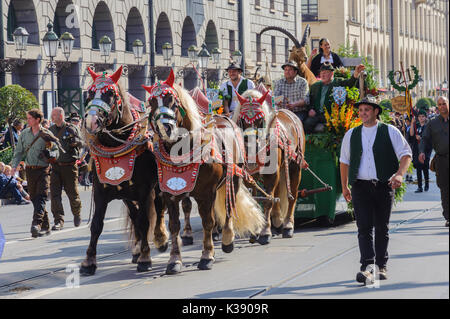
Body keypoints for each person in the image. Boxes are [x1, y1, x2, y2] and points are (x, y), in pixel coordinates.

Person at [340, 96, 412, 284]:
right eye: (361, 110)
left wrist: (399, 174)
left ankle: (381, 265)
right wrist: (344, 185)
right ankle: (367, 267)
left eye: (367, 110)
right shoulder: (352, 134)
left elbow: (406, 154)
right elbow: (344, 161)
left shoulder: (390, 131)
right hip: (360, 186)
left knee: (382, 227)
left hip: (383, 185)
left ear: (375, 111)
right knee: (363, 227)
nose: (363, 113)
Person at [10, 109, 60, 238]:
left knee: (42, 196)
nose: (27, 121)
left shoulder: (47, 134)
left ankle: (36, 224)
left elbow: (57, 152)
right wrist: (13, 166)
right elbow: (19, 152)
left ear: (37, 119)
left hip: (43, 169)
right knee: (34, 197)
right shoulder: (25, 134)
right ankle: (45, 225)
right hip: (30, 170)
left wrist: (50, 154)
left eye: (30, 118)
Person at [305, 62, 365, 134]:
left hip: (331, 114)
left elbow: (350, 83)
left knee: (333, 127)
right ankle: (309, 143)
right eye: (321, 73)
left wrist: (356, 73)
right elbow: (310, 100)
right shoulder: (315, 86)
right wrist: (311, 109)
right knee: (307, 123)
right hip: (317, 114)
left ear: (332, 74)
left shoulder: (338, 82)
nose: (323, 75)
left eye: (326, 72)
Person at [48, 107, 83, 231]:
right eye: (52, 115)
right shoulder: (50, 130)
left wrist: (74, 142)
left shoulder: (72, 128)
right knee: (55, 194)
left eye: (54, 115)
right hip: (56, 166)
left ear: (61, 116)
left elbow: (82, 143)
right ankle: (58, 220)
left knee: (72, 193)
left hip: (69, 166)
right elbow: (47, 145)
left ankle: (77, 213)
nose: (52, 117)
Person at [419, 96, 449, 227]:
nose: (442, 106)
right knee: (444, 189)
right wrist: (421, 151)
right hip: (441, 160)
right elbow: (424, 138)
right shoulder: (432, 123)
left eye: (444, 104)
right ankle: (448, 216)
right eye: (439, 104)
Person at [408, 110, 431, 193]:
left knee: (425, 168)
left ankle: (427, 184)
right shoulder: (416, 125)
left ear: (425, 117)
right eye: (419, 116)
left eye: (423, 116)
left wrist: (421, 139)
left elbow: (430, 139)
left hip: (425, 150)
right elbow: (411, 134)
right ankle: (419, 187)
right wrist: (412, 123)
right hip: (417, 150)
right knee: (418, 168)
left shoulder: (428, 126)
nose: (421, 118)